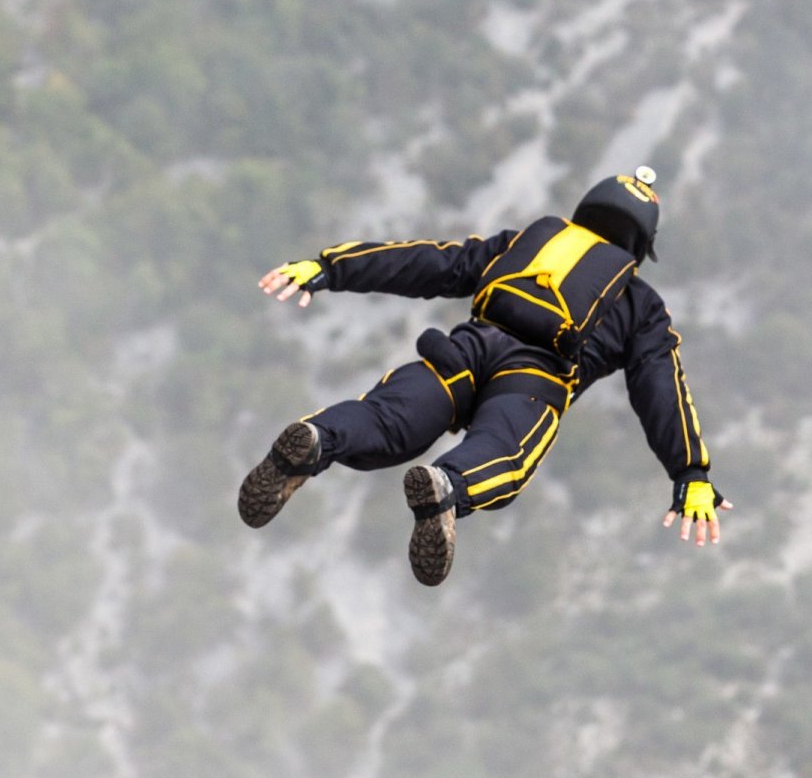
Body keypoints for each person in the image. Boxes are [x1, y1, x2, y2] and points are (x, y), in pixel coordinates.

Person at [237, 166, 727, 586]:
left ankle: (320, 438)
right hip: (534, 381)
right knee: (505, 454)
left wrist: (329, 267)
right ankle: (448, 487)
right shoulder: (640, 304)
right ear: (640, 248)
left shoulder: (522, 244)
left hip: (465, 351)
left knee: (388, 421)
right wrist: (690, 472)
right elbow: (660, 386)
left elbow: (428, 261)